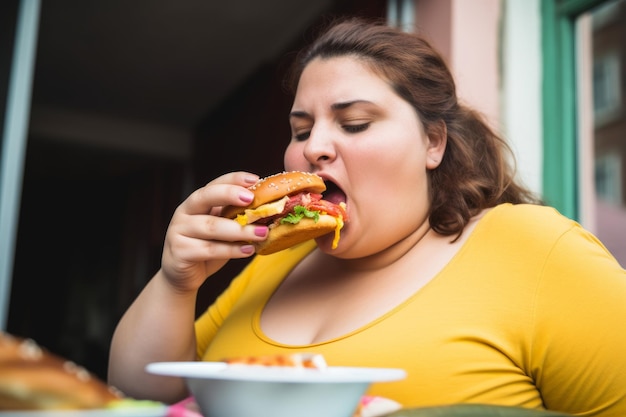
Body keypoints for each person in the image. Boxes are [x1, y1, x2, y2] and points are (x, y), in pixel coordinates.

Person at [108, 18, 626, 416]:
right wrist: (177, 280)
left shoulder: (533, 250)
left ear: (433, 142)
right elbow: (142, 396)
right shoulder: (275, 262)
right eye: (302, 130)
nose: (316, 148)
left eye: (354, 123)